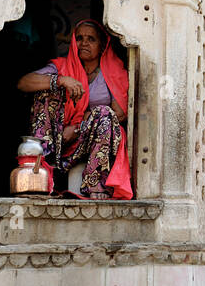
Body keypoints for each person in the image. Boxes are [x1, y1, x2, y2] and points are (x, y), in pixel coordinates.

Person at [16, 18, 133, 200]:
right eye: (79, 38)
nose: (84, 43)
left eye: (91, 39)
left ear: (102, 46)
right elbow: (23, 83)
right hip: (57, 138)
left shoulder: (113, 71)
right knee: (47, 91)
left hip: (88, 139)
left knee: (104, 114)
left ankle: (94, 182)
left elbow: (120, 114)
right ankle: (41, 168)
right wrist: (61, 80)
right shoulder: (62, 66)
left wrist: (79, 126)